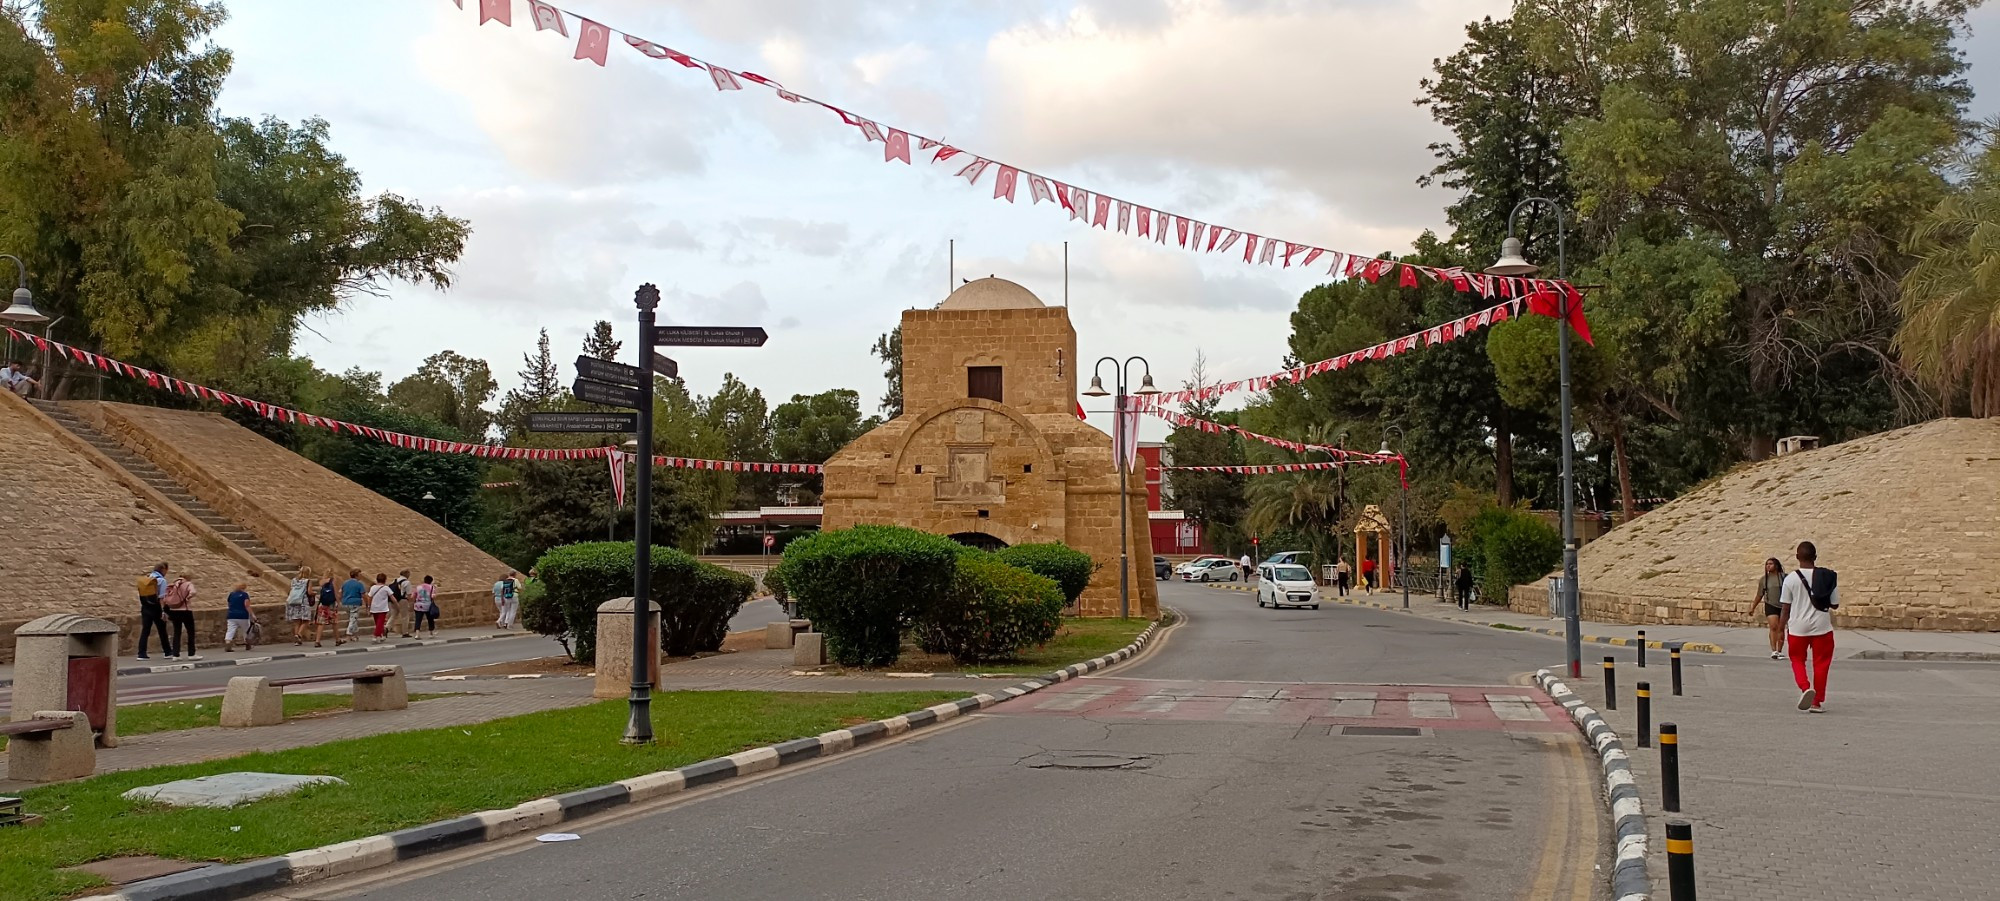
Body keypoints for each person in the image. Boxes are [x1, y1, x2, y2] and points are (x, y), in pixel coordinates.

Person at [1778, 540, 1840, 713]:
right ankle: (1816, 701)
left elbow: (1785, 607)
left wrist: (1780, 630)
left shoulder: (1790, 579)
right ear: (1815, 557)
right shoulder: (1828, 577)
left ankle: (1806, 688)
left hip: (1798, 627)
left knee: (1797, 659)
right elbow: (1835, 604)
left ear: (1797, 557)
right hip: (1822, 626)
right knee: (1821, 663)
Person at [136, 563, 173, 660]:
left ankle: (141, 653)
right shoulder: (161, 581)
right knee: (162, 630)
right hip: (156, 608)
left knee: (145, 630)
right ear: (163, 569)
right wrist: (163, 611)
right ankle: (167, 652)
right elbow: (161, 598)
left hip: (145, 607)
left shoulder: (147, 579)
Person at [1753, 557, 1788, 659]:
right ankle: (1774, 650)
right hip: (1770, 605)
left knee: (1781, 628)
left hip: (1783, 606)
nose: (1768, 566)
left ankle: (1779, 650)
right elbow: (1759, 594)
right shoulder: (1764, 580)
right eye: (1767, 564)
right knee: (1773, 627)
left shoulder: (1784, 577)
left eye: (1771, 564)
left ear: (1776, 565)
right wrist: (1753, 607)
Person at [162, 573, 201, 660]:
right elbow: (193, 592)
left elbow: (165, 597)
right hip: (185, 610)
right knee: (190, 632)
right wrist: (188, 597)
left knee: (177, 632)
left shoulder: (173, 584)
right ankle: (191, 654)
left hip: (174, 610)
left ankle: (176, 654)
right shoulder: (188, 584)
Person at [222, 580, 256, 651]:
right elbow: (247, 605)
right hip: (243, 615)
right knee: (246, 630)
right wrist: (252, 614)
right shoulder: (244, 595)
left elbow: (229, 604)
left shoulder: (231, 594)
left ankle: (228, 642)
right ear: (243, 587)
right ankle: (247, 643)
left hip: (231, 615)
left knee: (230, 630)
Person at [286, 567, 316, 645]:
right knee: (306, 620)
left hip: (294, 602)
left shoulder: (294, 580)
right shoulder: (308, 581)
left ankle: (297, 639)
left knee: (297, 622)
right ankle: (299, 635)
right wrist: (314, 593)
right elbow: (309, 592)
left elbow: (289, 591)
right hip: (303, 602)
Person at [367, 572, 396, 644]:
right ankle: (375, 635)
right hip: (382, 608)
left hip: (374, 608)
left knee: (378, 623)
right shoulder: (386, 588)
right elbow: (392, 597)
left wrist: (369, 607)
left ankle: (380, 635)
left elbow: (369, 597)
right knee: (380, 623)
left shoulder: (373, 587)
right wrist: (396, 604)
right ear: (385, 580)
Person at [314, 575, 342, 647]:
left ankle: (317, 641)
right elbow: (335, 593)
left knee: (321, 623)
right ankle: (337, 640)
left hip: (323, 604)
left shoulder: (322, 581)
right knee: (334, 622)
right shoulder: (333, 581)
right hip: (331, 604)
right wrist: (338, 602)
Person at [341, 569, 367, 638]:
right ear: (356, 575)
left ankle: (355, 634)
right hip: (355, 602)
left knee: (352, 618)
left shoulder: (345, 583)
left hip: (345, 602)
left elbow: (340, 592)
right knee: (353, 619)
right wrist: (366, 603)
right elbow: (363, 595)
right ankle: (348, 634)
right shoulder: (359, 584)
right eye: (360, 574)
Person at [391, 569, 415, 638]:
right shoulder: (407, 582)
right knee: (405, 616)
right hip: (403, 600)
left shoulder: (395, 581)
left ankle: (387, 628)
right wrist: (410, 601)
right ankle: (405, 632)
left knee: (394, 614)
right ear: (407, 574)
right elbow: (409, 594)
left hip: (395, 599)